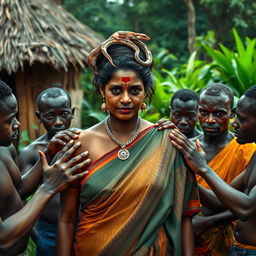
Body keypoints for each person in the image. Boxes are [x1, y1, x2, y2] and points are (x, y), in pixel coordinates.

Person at [57, 31, 200, 256]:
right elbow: (66, 219)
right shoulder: (80, 144)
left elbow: (184, 217)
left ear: (145, 93)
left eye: (134, 90)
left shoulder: (166, 141)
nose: (125, 99)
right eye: (116, 90)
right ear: (102, 92)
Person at [0, 80, 90, 255]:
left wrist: (48, 155)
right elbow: (2, 239)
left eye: (16, 116)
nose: (17, 124)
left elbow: (18, 189)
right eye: (9, 120)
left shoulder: (5, 149)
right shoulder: (29, 151)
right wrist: (48, 187)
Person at [170, 84, 256, 255]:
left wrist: (202, 168)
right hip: (238, 248)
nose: (235, 123)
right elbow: (219, 201)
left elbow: (246, 209)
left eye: (242, 119)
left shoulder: (247, 150)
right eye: (204, 112)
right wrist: (184, 176)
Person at [19, 87, 75, 256]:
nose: (58, 122)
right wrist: (37, 236)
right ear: (39, 117)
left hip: (83, 228)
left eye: (64, 114)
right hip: (48, 232)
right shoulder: (31, 153)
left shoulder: (85, 143)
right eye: (50, 116)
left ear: (72, 113)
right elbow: (19, 195)